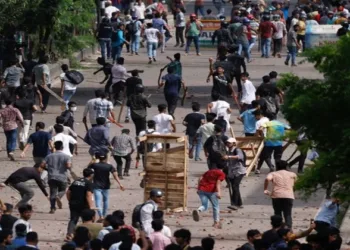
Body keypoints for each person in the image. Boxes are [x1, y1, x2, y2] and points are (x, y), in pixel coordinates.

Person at [192, 149, 225, 228]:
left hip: (202, 190)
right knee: (215, 206)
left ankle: (199, 210)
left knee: (205, 205)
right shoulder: (221, 173)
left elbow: (200, 178)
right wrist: (219, 192)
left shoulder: (209, 171)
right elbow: (218, 182)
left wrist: (198, 188)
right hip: (211, 191)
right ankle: (216, 222)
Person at [89, 153, 124, 220]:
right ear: (105, 158)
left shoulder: (95, 165)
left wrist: (92, 160)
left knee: (98, 201)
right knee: (106, 201)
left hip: (96, 185)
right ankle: (104, 215)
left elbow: (87, 169)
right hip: (106, 185)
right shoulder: (109, 166)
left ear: (98, 158)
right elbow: (115, 175)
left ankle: (100, 216)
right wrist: (120, 184)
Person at [264, 160, 297, 228]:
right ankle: (288, 230)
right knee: (287, 214)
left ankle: (277, 229)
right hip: (288, 196)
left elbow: (267, 179)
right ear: (286, 166)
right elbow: (295, 185)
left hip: (276, 196)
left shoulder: (273, 174)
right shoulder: (292, 174)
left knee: (277, 213)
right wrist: (292, 191)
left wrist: (265, 189)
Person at [41, 141, 72, 214]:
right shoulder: (66, 156)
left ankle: (52, 208)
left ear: (55, 147)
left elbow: (42, 165)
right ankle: (58, 196)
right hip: (62, 177)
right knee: (63, 190)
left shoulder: (49, 156)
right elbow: (68, 166)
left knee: (52, 193)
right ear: (62, 147)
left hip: (51, 177)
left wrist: (48, 169)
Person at [66, 168, 95, 241]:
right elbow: (88, 195)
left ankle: (69, 234)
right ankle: (85, 236)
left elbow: (68, 192)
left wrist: (70, 200)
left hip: (73, 204)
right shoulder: (89, 183)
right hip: (84, 205)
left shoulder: (76, 181)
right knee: (86, 220)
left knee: (73, 219)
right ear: (91, 175)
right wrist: (91, 206)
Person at [224, 137, 246, 210]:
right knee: (235, 187)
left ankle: (234, 204)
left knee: (235, 186)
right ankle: (239, 203)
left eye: (229, 143)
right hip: (232, 171)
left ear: (233, 143)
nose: (228, 144)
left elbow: (239, 157)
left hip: (239, 171)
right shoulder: (228, 151)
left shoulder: (237, 150)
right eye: (227, 143)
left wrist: (229, 157)